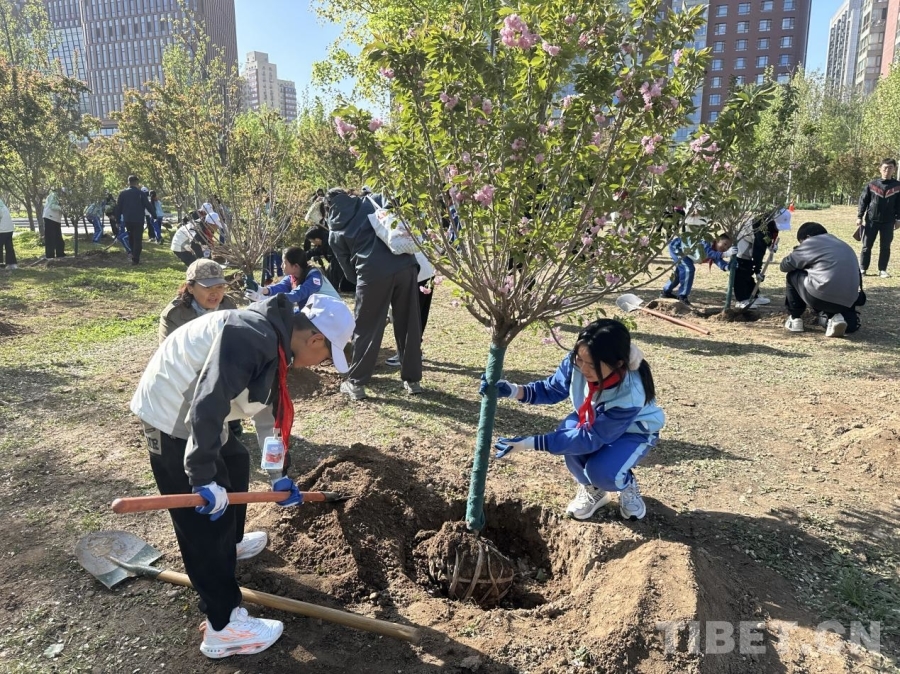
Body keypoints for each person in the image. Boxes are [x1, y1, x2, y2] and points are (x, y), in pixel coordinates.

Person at [130, 293, 355, 659]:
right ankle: (223, 626)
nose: (322, 363)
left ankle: (230, 544)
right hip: (171, 412)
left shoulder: (276, 339)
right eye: (327, 356)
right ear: (315, 339)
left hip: (200, 410)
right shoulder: (251, 336)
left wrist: (278, 474)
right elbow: (208, 401)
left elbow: (269, 413)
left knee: (235, 461)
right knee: (204, 522)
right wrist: (201, 477)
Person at [482, 319, 664, 521]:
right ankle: (593, 491)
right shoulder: (577, 361)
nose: (584, 369)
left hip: (633, 432)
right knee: (568, 439)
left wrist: (529, 443)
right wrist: (514, 390)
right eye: (580, 359)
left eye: (592, 365)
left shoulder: (630, 393)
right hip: (591, 420)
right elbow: (551, 389)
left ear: (618, 364)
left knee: (602, 472)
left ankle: (626, 484)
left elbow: (589, 438)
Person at [328, 187, 423, 399]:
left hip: (371, 273)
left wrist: (366, 285)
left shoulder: (334, 231)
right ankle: (413, 381)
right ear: (349, 195)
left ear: (328, 207)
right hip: (405, 265)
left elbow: (348, 271)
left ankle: (356, 384)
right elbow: (394, 198)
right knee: (409, 324)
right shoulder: (370, 201)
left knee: (366, 328)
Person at [780, 222, 862, 337]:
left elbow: (784, 266)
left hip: (821, 297)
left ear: (807, 237)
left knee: (793, 274)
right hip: (849, 301)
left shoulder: (810, 243)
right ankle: (835, 317)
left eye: (801, 242)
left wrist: (797, 251)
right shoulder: (843, 245)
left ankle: (795, 319)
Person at [159, 259, 238, 343]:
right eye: (207, 287)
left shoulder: (228, 305)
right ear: (190, 288)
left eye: (219, 287)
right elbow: (169, 349)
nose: (214, 293)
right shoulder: (174, 315)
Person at [248, 246, 340, 306]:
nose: (281, 266)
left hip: (333, 314)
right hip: (319, 313)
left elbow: (299, 294)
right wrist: (262, 290)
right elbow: (281, 287)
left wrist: (263, 299)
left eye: (284, 263)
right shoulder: (293, 276)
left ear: (295, 266)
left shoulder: (314, 277)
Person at [660, 231, 732, 305]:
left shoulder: (716, 251)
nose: (725, 248)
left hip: (687, 255)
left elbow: (718, 259)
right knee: (688, 270)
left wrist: (726, 266)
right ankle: (682, 296)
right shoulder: (707, 243)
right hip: (678, 247)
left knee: (681, 272)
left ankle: (666, 292)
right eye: (725, 244)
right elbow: (710, 253)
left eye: (728, 247)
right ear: (717, 239)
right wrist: (725, 254)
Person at [857, 158, 900, 278]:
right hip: (871, 221)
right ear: (880, 169)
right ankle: (863, 268)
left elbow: (899, 205)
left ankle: (882, 270)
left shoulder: (897, 186)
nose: (887, 170)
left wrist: (898, 219)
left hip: (888, 222)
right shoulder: (872, 185)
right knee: (866, 246)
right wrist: (859, 216)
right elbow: (863, 201)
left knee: (885, 246)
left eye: (890, 168)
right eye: (885, 168)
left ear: (894, 169)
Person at [115, 176, 152, 265]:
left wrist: (118, 220)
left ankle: (133, 256)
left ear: (128, 182)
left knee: (131, 238)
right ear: (137, 183)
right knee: (137, 239)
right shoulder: (140, 193)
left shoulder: (122, 194)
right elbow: (148, 205)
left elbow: (118, 208)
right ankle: (136, 259)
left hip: (128, 220)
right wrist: (154, 215)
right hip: (138, 220)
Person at [42, 188, 64, 259]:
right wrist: (62, 208)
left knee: (58, 237)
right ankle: (50, 255)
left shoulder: (59, 197)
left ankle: (60, 254)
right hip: (50, 217)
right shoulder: (53, 195)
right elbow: (52, 206)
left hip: (56, 219)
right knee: (50, 237)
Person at [0, 196, 16, 269]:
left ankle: (1, 264)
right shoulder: (2, 205)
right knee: (9, 246)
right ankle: (12, 264)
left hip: (2, 229)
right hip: (9, 229)